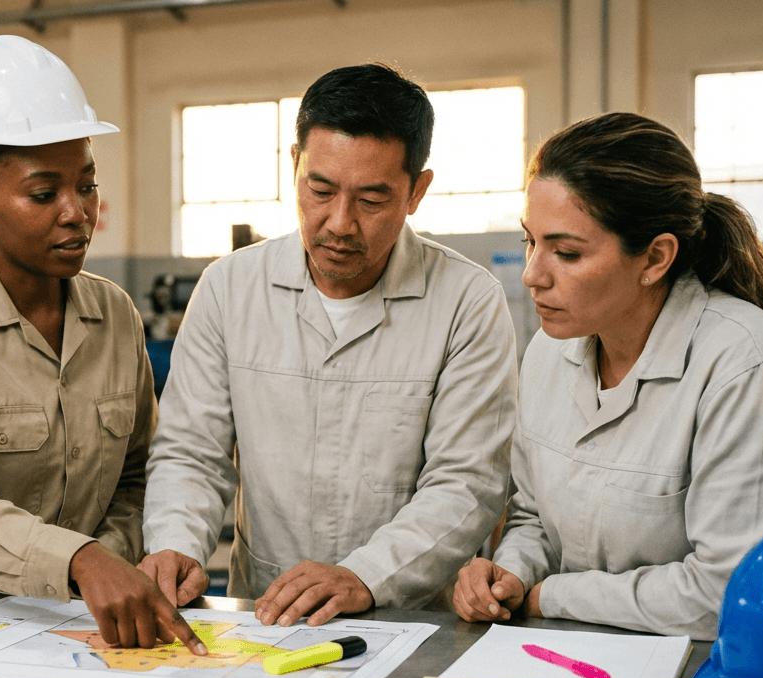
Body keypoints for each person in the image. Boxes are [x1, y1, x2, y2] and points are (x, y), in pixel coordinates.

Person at [139, 63, 518, 628]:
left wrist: (366, 575)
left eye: (371, 200)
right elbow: (192, 452)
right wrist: (176, 544)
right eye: (320, 189)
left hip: (411, 623)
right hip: (261, 619)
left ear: (417, 190)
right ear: (294, 165)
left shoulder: (467, 301)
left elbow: (466, 483)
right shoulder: (230, 288)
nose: (339, 223)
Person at [0, 35, 203, 654]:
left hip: (77, 608)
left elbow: (135, 473)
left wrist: (115, 558)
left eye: (87, 185)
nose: (78, 212)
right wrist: (77, 559)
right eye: (45, 193)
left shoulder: (115, 315)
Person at [452, 112, 763, 640]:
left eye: (566, 252)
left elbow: (731, 592)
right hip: (571, 658)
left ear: (654, 257)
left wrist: (550, 596)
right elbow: (533, 514)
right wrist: (511, 573)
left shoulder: (746, 369)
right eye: (529, 243)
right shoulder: (548, 352)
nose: (534, 274)